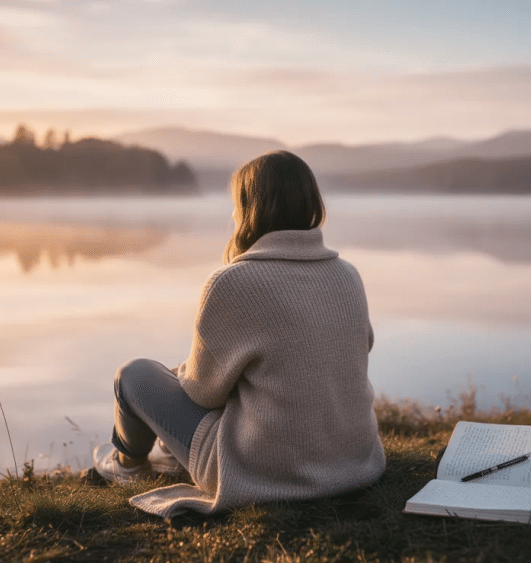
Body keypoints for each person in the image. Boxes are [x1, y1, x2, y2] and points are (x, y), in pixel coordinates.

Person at [87, 150, 386, 518]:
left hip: (267, 468)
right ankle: (160, 456)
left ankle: (127, 464)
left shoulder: (233, 283)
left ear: (250, 208)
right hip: (353, 461)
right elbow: (356, 352)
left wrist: (180, 373)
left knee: (134, 375)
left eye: (236, 204)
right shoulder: (348, 275)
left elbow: (204, 391)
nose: (232, 214)